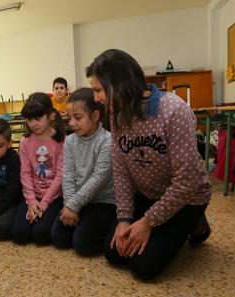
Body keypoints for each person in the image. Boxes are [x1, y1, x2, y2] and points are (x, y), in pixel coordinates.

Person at [86, 49, 212, 280]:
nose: (96, 98)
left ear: (120, 83)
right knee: (114, 253)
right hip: (147, 194)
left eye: (98, 90)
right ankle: (169, 224)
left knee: (143, 267)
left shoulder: (174, 110)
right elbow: (121, 171)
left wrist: (148, 222)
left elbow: (187, 181)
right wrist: (124, 219)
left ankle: (195, 223)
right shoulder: (116, 114)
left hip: (187, 199)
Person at [50, 88, 116, 256]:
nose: (71, 123)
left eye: (77, 118)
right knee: (58, 237)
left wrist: (74, 206)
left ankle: (108, 226)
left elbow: (98, 179)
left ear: (95, 116)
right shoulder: (70, 140)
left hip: (103, 202)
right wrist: (69, 205)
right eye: (69, 117)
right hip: (79, 200)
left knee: (83, 245)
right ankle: (83, 222)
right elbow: (68, 175)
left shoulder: (107, 141)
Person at [11, 92, 65, 244]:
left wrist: (44, 204)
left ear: (51, 115)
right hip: (32, 195)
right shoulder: (25, 141)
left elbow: (60, 176)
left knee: (40, 235)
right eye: (29, 119)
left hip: (53, 197)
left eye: (38, 118)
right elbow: (25, 174)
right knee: (19, 234)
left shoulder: (61, 140)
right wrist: (31, 202)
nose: (33, 123)